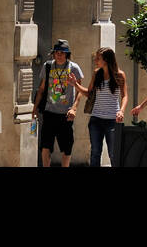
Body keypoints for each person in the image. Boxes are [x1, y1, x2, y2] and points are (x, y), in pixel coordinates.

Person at [32, 39, 83, 167]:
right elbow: (42, 89)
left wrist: (74, 109)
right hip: (49, 112)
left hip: (66, 114)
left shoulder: (74, 68)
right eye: (57, 52)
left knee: (67, 147)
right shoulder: (47, 66)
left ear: (67, 54)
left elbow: (80, 91)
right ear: (53, 54)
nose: (59, 55)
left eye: (62, 52)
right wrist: (35, 108)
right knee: (45, 145)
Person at [73, 47, 127, 167]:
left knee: (114, 154)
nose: (96, 60)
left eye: (98, 58)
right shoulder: (97, 73)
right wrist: (75, 84)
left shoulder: (120, 75)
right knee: (95, 153)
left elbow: (124, 96)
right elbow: (89, 93)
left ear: (106, 60)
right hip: (96, 119)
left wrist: (121, 111)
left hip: (113, 120)